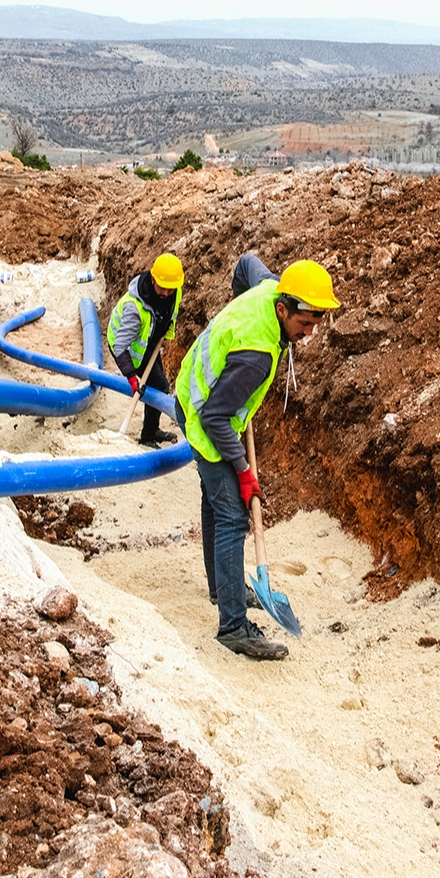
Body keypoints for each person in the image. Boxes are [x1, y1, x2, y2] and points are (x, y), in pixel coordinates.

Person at [174, 254, 340, 660]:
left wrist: (237, 300)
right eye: (305, 324)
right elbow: (215, 417)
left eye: (316, 323)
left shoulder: (268, 287)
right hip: (203, 414)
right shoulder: (258, 353)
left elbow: (247, 263)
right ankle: (232, 627)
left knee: (218, 501)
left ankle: (221, 588)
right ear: (283, 309)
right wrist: (244, 470)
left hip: (196, 390)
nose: (310, 333)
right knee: (232, 513)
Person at [106, 253, 184, 447]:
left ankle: (151, 431)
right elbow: (120, 347)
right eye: (162, 288)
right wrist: (132, 377)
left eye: (170, 289)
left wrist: (165, 332)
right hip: (125, 345)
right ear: (152, 279)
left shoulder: (175, 291)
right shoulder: (135, 308)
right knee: (160, 386)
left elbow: (170, 314)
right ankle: (148, 437)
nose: (166, 293)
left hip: (147, 341)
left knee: (160, 385)